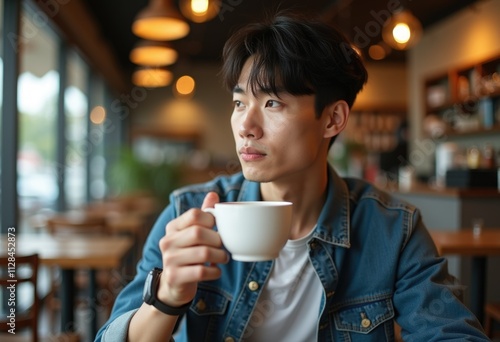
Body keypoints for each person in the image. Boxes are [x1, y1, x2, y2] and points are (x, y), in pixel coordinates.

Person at [96, 11, 489, 341]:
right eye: (238, 102)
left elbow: (453, 333)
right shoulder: (189, 214)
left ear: (332, 119)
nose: (245, 126)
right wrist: (168, 296)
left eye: (271, 102)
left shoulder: (391, 231)